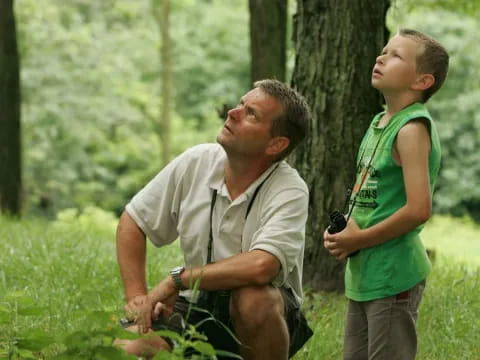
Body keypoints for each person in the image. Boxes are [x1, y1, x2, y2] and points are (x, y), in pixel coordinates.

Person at [115, 79, 313, 360]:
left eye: (251, 114)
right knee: (125, 348)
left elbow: (262, 266)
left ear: (276, 144)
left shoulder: (289, 189)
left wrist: (176, 281)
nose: (233, 112)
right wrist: (139, 300)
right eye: (240, 104)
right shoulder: (196, 161)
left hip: (260, 317)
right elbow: (133, 220)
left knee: (253, 299)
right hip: (193, 306)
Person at [324, 29, 449, 360]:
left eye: (396, 56)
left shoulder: (411, 129)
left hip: (394, 274)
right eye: (383, 51)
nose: (381, 58)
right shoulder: (380, 121)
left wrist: (358, 240)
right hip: (366, 273)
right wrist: (343, 231)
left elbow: (418, 209)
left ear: (422, 81)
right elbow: (367, 188)